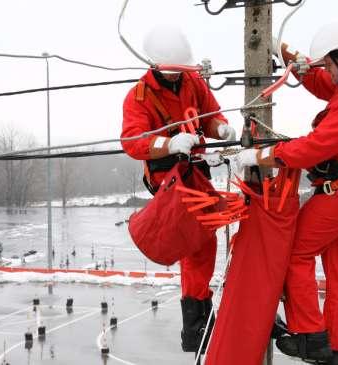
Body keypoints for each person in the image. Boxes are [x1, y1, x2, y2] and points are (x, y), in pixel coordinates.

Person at [236, 19, 338, 364]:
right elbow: (320, 81)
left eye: (328, 64)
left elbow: (312, 149)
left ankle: (309, 335)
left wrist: (259, 155)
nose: (325, 71)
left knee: (295, 253)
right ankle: (332, 350)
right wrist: (285, 52)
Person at [121, 24, 236, 353]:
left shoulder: (192, 81)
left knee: (205, 238)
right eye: (172, 72)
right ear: (156, 66)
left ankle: (199, 311)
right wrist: (168, 143)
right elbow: (132, 141)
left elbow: (210, 117)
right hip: (166, 177)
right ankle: (195, 320)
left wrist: (221, 128)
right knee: (194, 239)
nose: (176, 77)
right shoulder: (139, 97)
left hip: (193, 169)